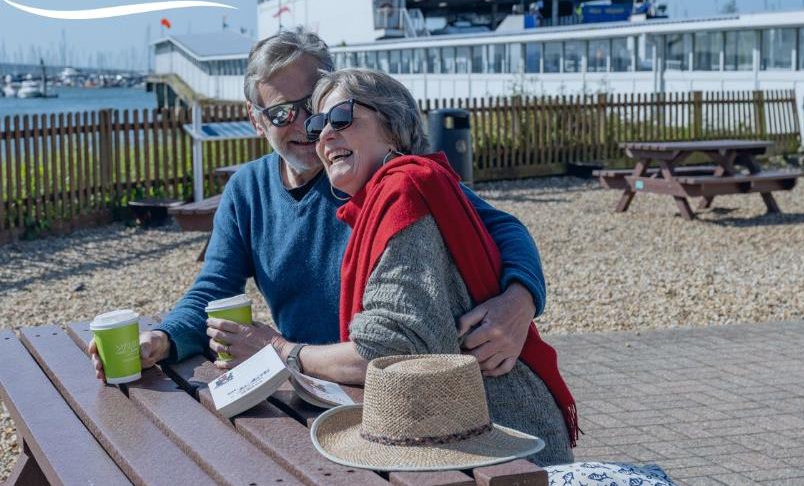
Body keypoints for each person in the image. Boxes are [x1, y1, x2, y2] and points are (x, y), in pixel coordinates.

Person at [90, 29, 545, 386]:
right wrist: (163, 339)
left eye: (311, 107)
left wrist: (519, 301)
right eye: (280, 114)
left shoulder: (373, 176)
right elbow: (214, 287)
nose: (306, 127)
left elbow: (503, 228)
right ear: (255, 120)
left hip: (392, 387)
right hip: (313, 380)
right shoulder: (247, 191)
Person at [290, 67, 576, 464]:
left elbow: (393, 352)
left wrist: (286, 352)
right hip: (472, 434)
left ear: (392, 126)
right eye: (317, 125)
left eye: (340, 117)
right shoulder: (415, 183)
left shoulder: (404, 190)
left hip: (494, 442)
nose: (324, 134)